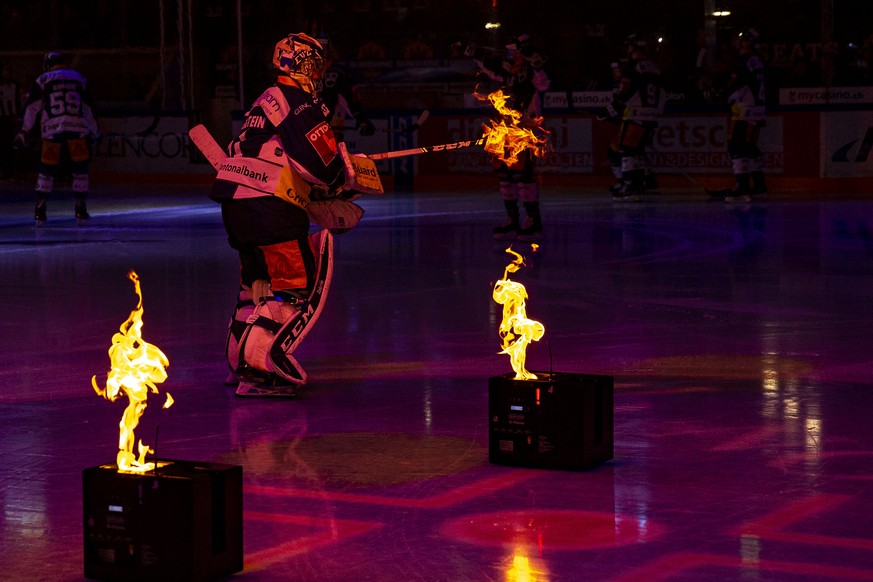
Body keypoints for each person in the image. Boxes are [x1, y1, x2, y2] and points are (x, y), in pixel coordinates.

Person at [209, 32, 372, 398]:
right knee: (293, 286)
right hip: (270, 209)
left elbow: (285, 160)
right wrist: (349, 175)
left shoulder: (265, 101)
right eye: (314, 64)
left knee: (255, 286)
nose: (318, 72)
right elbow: (319, 166)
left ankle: (238, 361)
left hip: (237, 206)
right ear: (300, 65)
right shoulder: (297, 102)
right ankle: (262, 368)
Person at [468, 33, 551, 241]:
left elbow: (543, 84)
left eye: (514, 51)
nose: (511, 55)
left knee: (523, 176)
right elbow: (491, 70)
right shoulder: (509, 72)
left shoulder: (534, 69)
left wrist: (536, 64)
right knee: (505, 175)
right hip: (505, 130)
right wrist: (474, 52)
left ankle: (533, 220)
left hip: (526, 130)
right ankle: (511, 218)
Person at [15, 51, 100, 226]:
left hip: (52, 129)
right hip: (77, 128)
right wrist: (96, 132)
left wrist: (23, 131)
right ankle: (80, 208)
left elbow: (31, 108)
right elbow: (88, 109)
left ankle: (40, 208)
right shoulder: (79, 78)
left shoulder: (43, 79)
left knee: (47, 171)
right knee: (80, 171)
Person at [710, 27, 767, 203]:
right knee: (749, 147)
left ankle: (742, 187)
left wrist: (723, 96)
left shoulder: (743, 61)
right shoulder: (758, 61)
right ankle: (758, 184)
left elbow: (738, 85)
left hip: (743, 109)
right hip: (757, 109)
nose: (738, 42)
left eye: (742, 39)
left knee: (736, 146)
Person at [610, 34, 664, 202]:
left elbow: (625, 91)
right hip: (650, 116)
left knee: (627, 150)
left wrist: (612, 108)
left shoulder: (633, 68)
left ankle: (630, 185)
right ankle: (639, 183)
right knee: (638, 151)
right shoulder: (655, 68)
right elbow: (662, 94)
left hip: (636, 115)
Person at [315, 33, 375, 141]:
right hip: (309, 124)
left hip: (332, 127)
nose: (321, 51)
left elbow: (352, 99)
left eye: (324, 46)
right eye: (318, 47)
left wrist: (361, 119)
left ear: (330, 50)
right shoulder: (304, 73)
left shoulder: (340, 73)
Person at [0, 62, 21, 180]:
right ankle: (3, 170)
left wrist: (17, 116)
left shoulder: (15, 86)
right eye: (4, 71)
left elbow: (19, 101)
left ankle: (11, 171)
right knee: (2, 145)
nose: (6, 74)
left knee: (11, 145)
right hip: (1, 119)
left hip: (11, 118)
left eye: (9, 71)